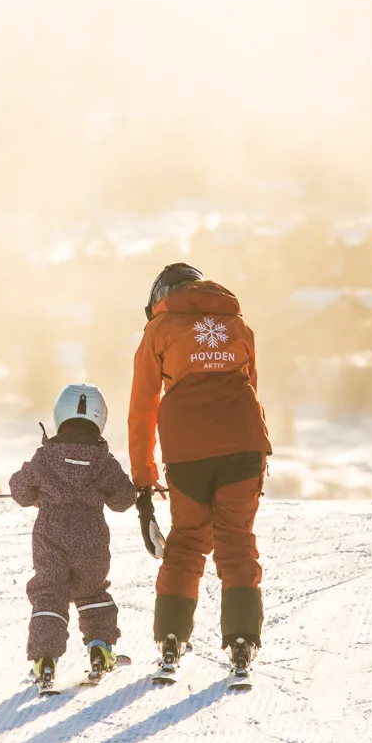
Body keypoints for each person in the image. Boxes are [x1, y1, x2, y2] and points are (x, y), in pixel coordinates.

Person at [128, 263, 272, 677]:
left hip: (187, 447)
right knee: (236, 540)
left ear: (161, 297)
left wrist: (143, 476)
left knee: (188, 541)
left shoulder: (159, 329)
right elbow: (251, 387)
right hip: (243, 444)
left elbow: (143, 407)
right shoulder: (238, 326)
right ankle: (243, 641)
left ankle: (171, 639)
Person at [10, 382, 138, 689]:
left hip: (50, 542)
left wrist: (38, 491)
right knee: (93, 594)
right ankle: (100, 650)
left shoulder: (45, 457)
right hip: (92, 543)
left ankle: (45, 662)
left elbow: (20, 491)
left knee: (49, 595)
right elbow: (124, 499)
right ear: (100, 418)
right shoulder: (103, 461)